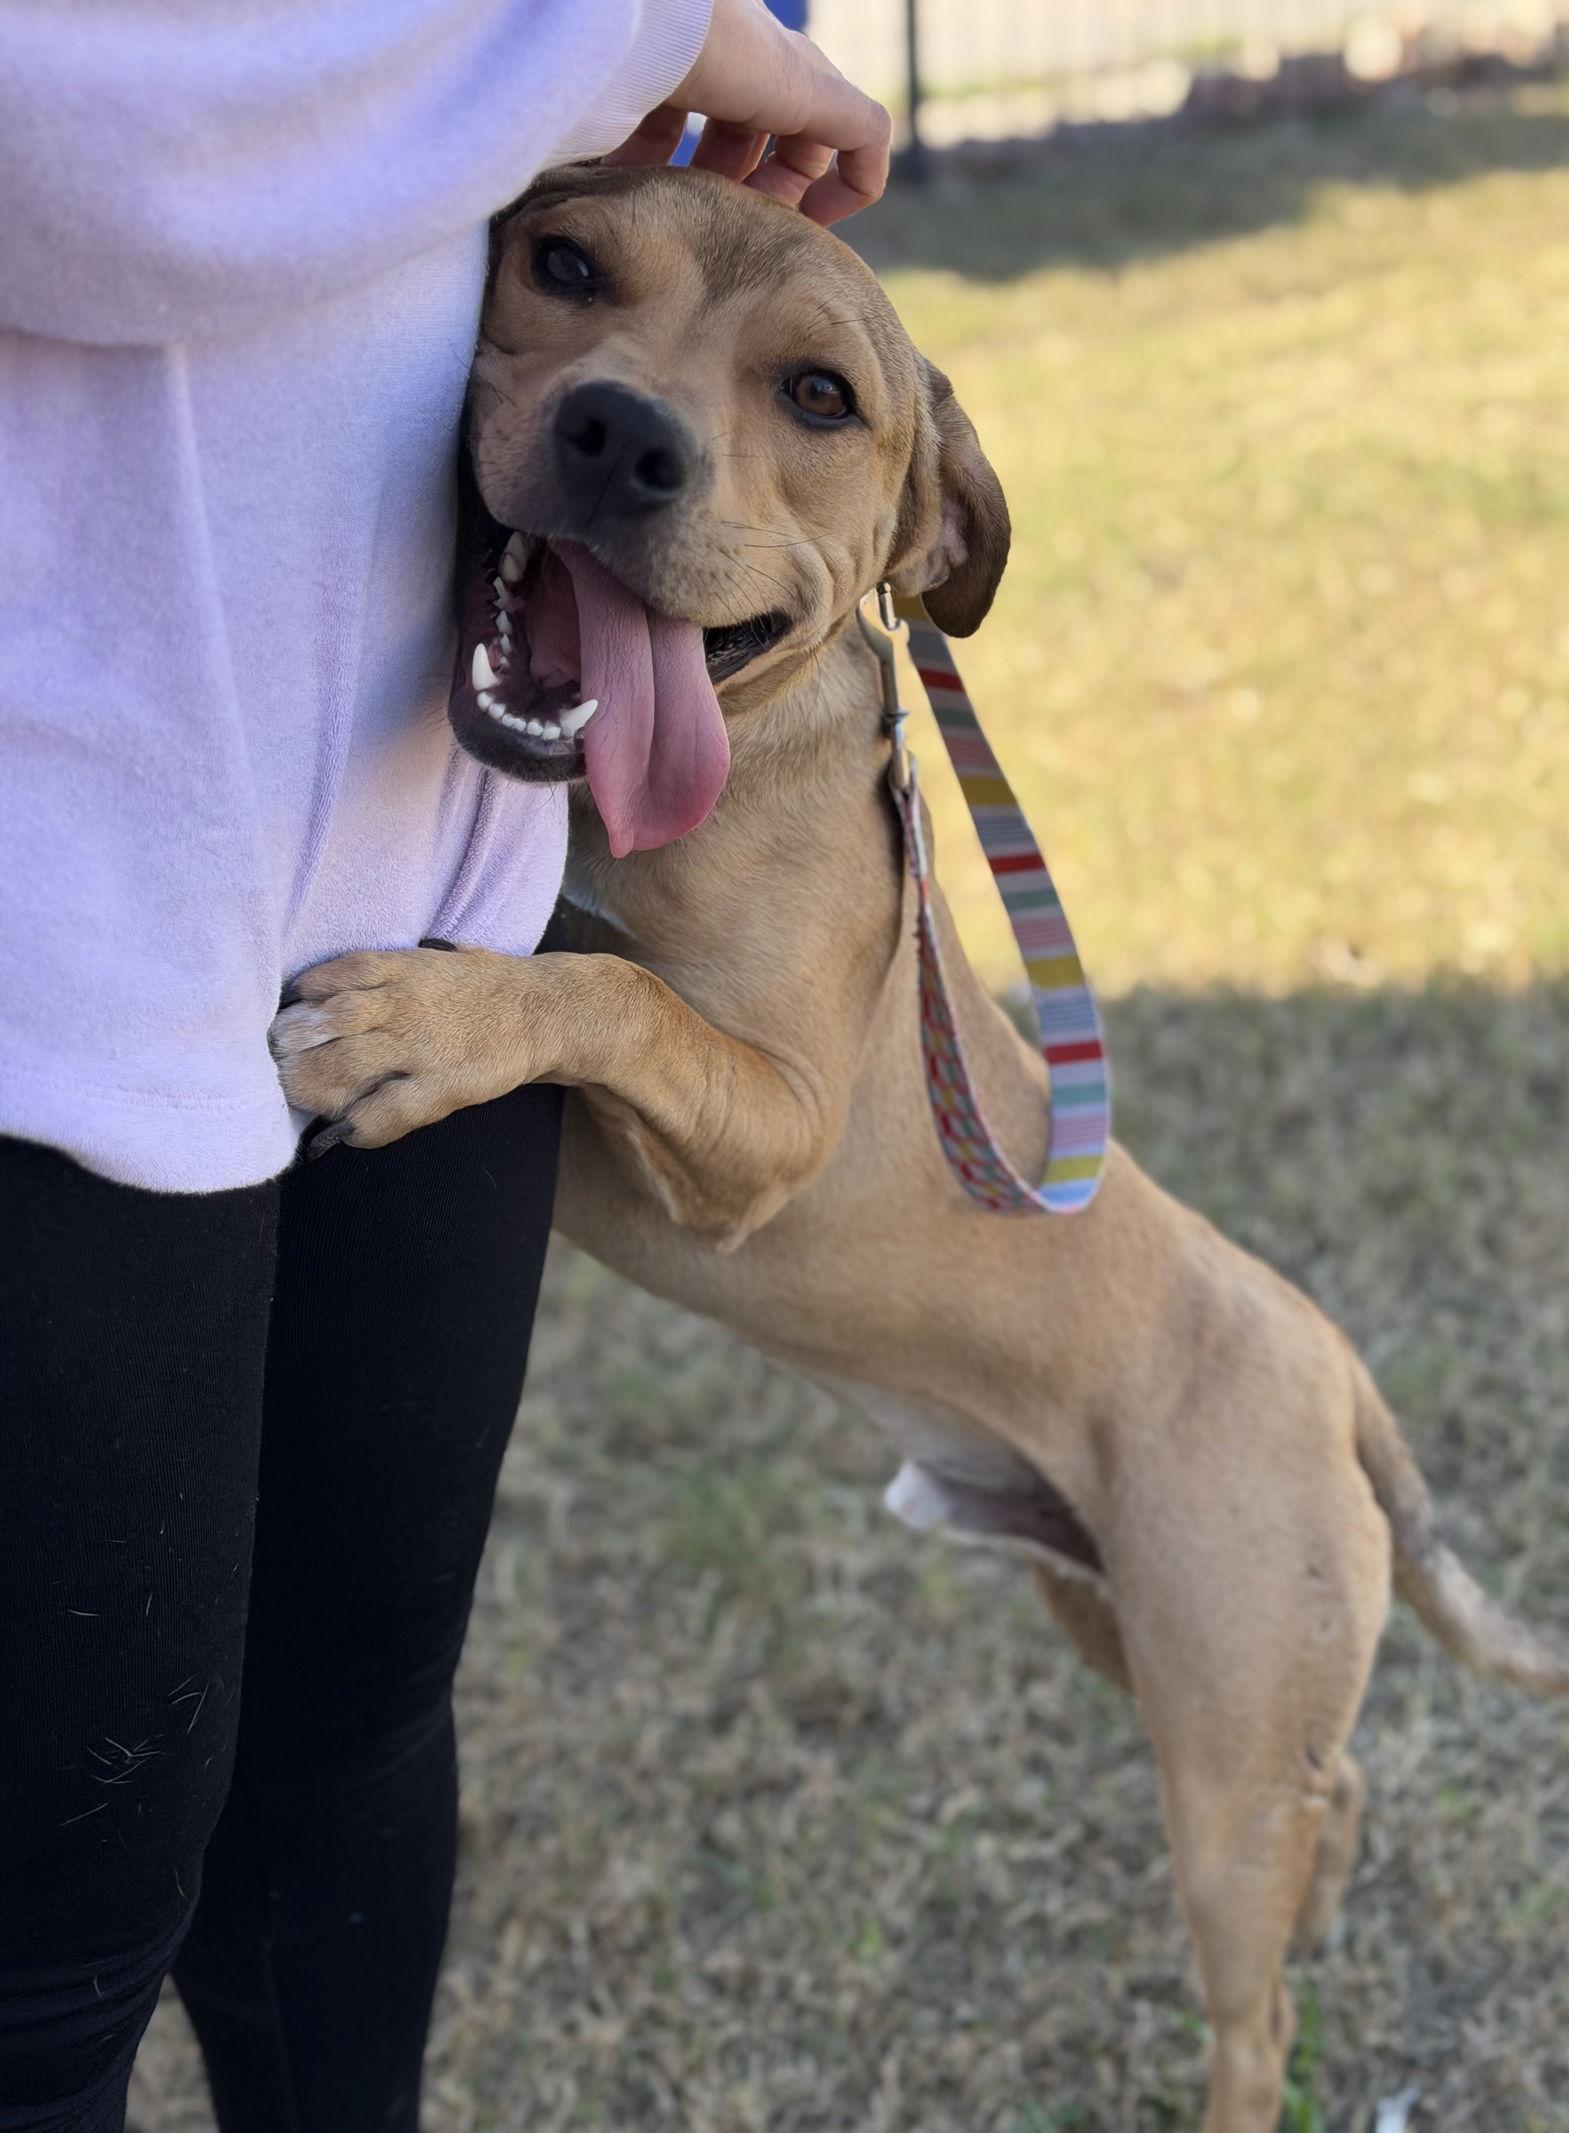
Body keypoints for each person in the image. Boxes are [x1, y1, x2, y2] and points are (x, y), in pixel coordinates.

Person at [0, 4, 889, 2126]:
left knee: (355, 1741)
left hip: (442, 892)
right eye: (566, 268)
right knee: (58, 1915)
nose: (639, 409)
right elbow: (64, 145)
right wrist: (614, 28)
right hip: (71, 884)